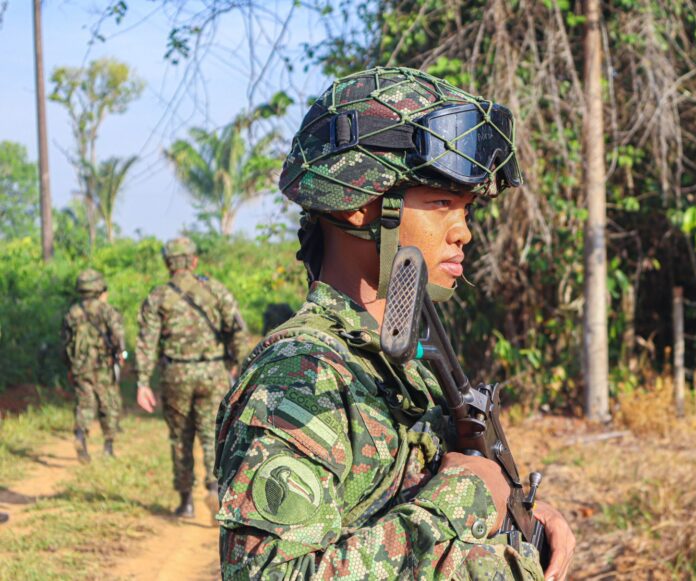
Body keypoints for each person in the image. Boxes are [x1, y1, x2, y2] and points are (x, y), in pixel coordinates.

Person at [214, 67, 575, 580]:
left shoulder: (399, 361)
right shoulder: (301, 376)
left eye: (467, 210)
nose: (463, 233)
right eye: (442, 204)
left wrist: (523, 522)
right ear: (363, 206)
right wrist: (460, 500)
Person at [135, 237, 250, 520]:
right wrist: (238, 366)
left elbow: (146, 343)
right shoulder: (214, 290)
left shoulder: (158, 296)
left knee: (179, 437)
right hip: (212, 373)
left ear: (168, 264)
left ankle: (186, 502)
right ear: (193, 261)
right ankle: (214, 489)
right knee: (213, 434)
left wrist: (142, 382)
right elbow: (237, 330)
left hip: (175, 374)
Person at [62, 268, 125, 462]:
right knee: (108, 405)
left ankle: (80, 436)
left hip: (80, 367)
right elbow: (118, 337)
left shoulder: (72, 313)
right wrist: (121, 355)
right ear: (99, 287)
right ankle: (108, 447)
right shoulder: (107, 311)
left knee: (84, 404)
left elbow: (65, 344)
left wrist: (69, 368)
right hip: (103, 367)